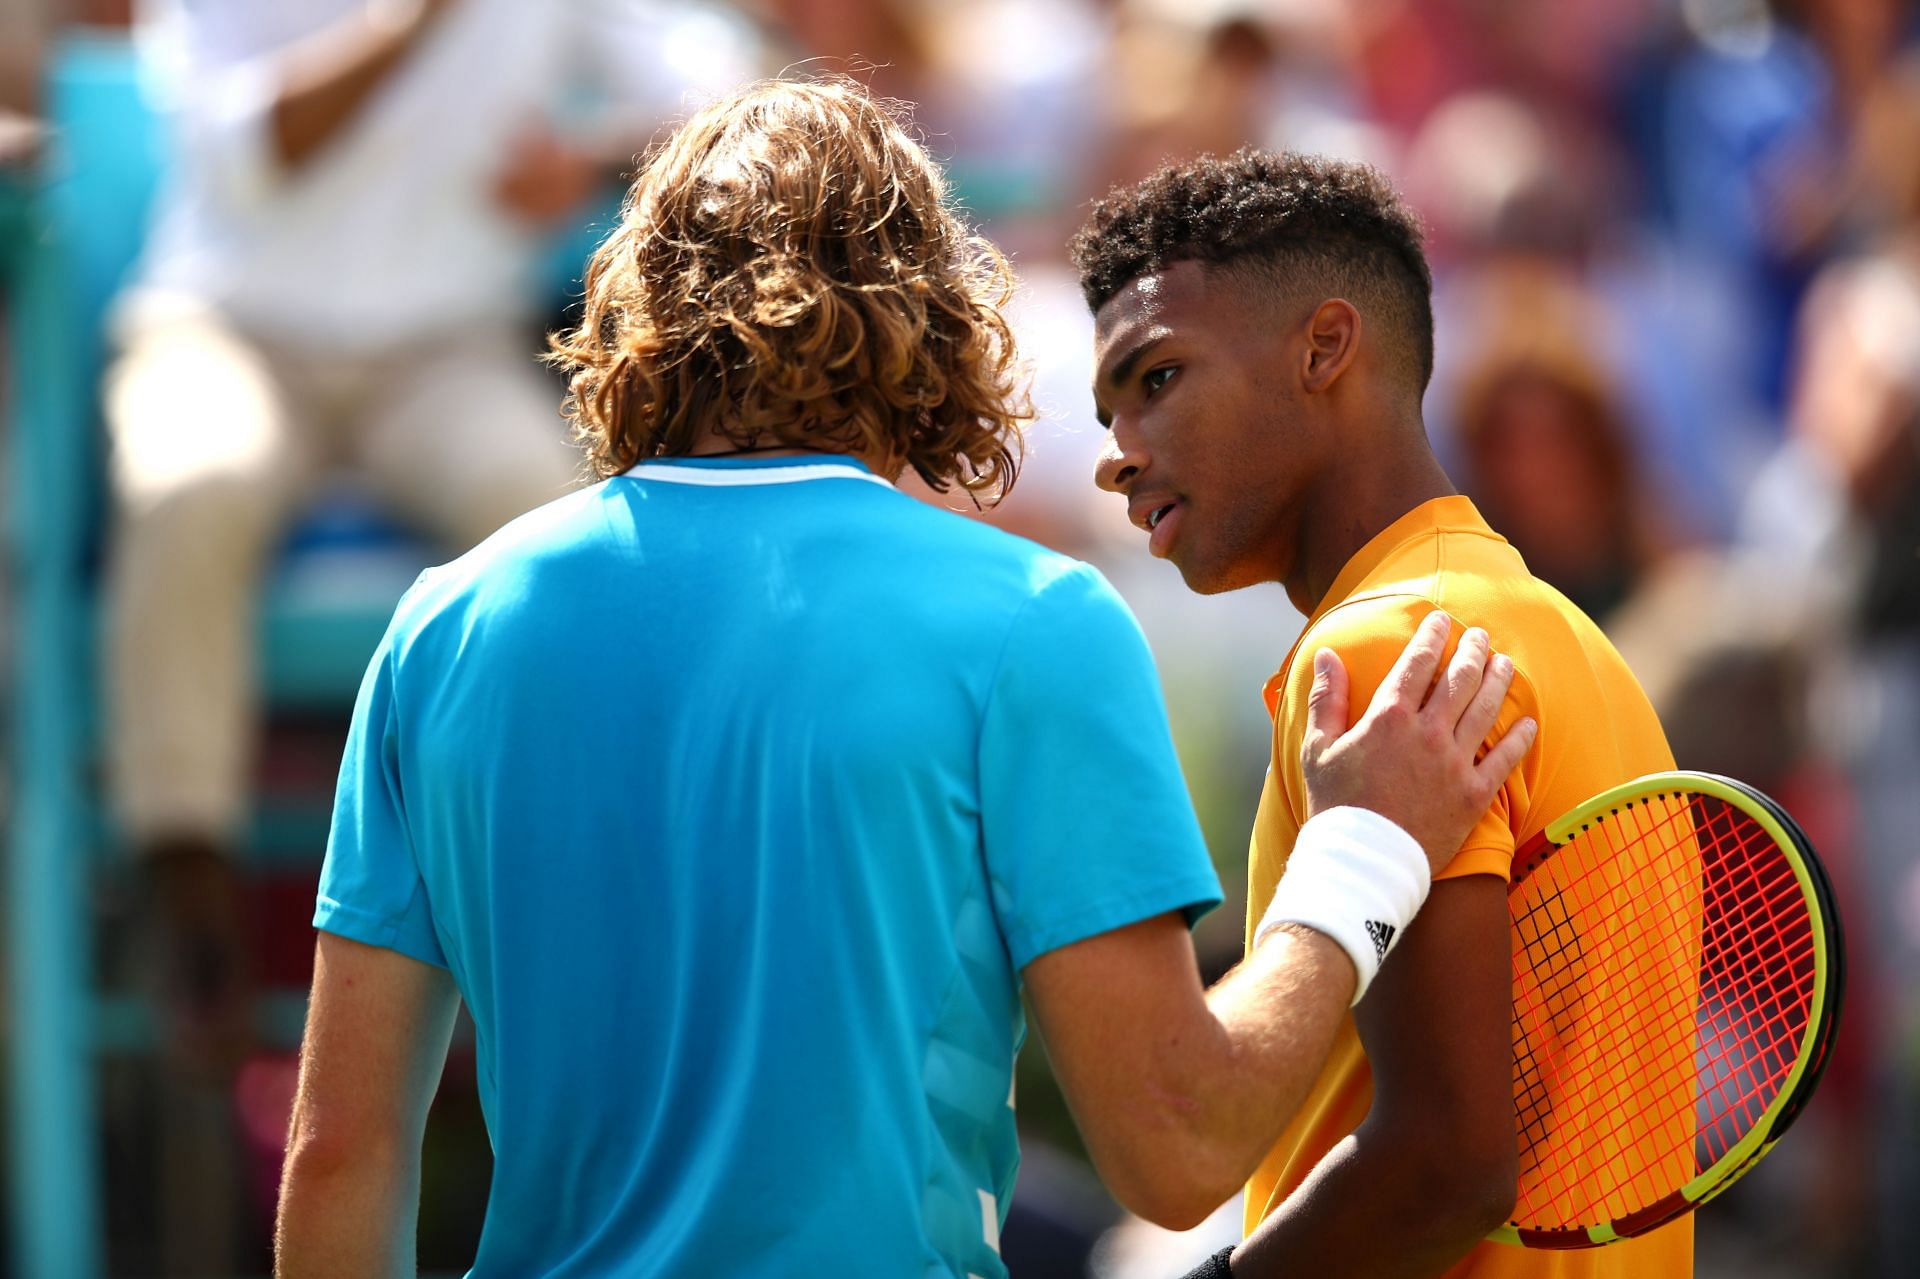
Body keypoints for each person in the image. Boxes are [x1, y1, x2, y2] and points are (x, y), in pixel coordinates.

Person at [273, 79, 1535, 1277]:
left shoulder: (438, 627)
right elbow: (1180, 1141)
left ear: (633, 311)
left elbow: (338, 1155)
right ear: (926, 315)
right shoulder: (1034, 623)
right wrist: (1367, 850)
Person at [108, 0, 762, 1069]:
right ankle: (190, 898)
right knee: (190, 485)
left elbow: (727, 98)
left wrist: (591, 164)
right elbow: (248, 149)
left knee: (567, 529)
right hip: (227, 326)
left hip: (444, 349)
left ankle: (597, 885)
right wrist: (414, 21)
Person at [1073, 150, 1687, 1277]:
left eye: (1156, 379)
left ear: (1324, 348)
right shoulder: (1568, 637)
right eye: (1109, 411)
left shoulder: (1384, 650)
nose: (1120, 459)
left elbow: (1448, 1163)